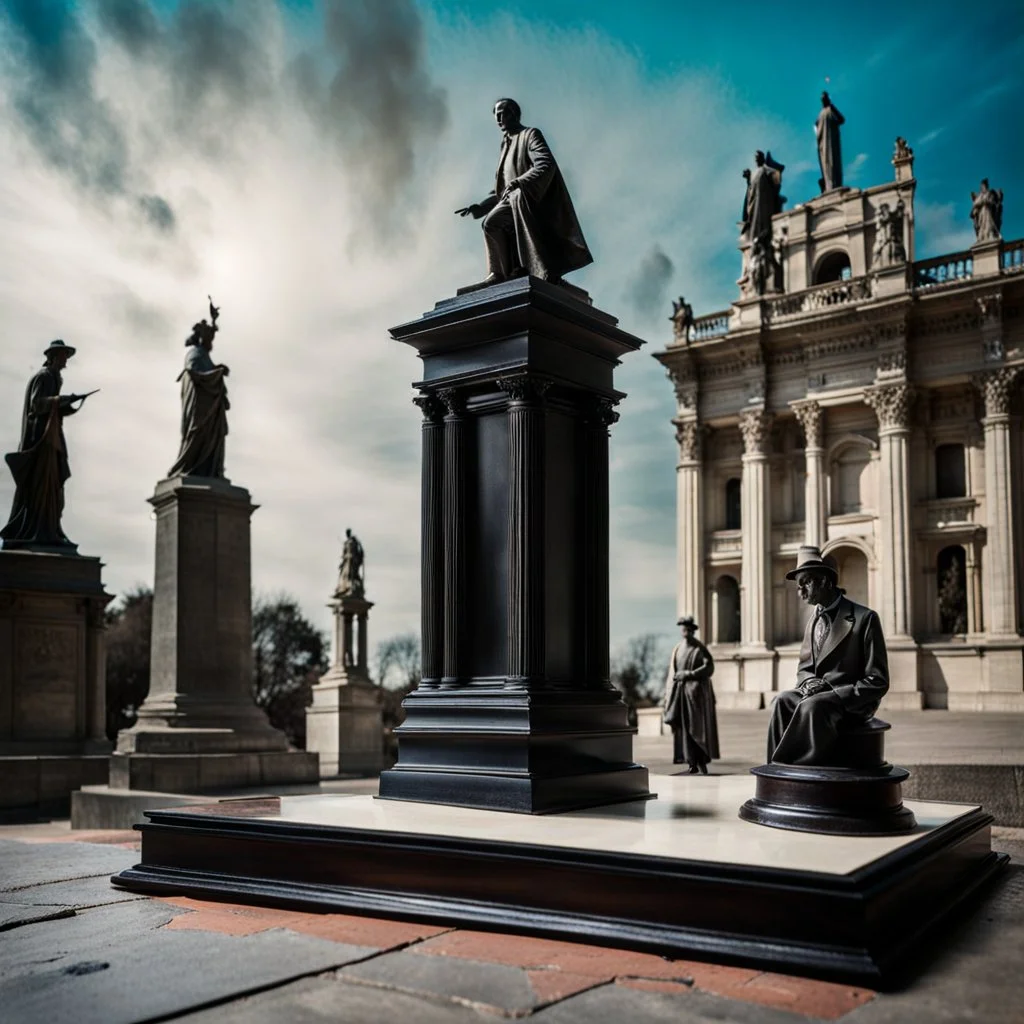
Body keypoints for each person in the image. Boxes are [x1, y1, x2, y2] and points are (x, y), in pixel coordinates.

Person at [767, 546, 889, 765]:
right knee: (782, 701)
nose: (800, 590)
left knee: (813, 706)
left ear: (823, 581)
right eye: (798, 585)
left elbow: (878, 681)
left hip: (851, 700)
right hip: (817, 699)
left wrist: (834, 692)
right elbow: (804, 668)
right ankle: (777, 770)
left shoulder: (865, 618)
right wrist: (808, 682)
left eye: (805, 582)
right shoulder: (813, 621)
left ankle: (806, 772)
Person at [455, 98, 592, 286]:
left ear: (514, 113)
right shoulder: (505, 146)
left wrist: (520, 182)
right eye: (496, 115)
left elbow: (545, 163)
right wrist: (481, 206)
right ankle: (502, 272)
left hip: (529, 199)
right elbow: (501, 190)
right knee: (490, 223)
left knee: (492, 223)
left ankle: (501, 273)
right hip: (511, 199)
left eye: (502, 113)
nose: (498, 118)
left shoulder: (530, 134)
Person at [2, 340, 94, 549]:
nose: (66, 360)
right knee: (42, 484)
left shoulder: (54, 378)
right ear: (53, 357)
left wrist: (69, 403)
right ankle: (39, 530)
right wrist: (61, 400)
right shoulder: (43, 377)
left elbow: (54, 408)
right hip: (41, 441)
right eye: (63, 356)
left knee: (54, 485)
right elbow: (38, 404)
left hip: (52, 439)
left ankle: (49, 528)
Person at [168, 299, 230, 479]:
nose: (212, 342)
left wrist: (217, 371)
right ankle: (190, 467)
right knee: (196, 436)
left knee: (213, 439)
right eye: (210, 338)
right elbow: (195, 373)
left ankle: (210, 470)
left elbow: (207, 372)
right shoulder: (194, 354)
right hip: (200, 409)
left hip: (212, 411)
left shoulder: (204, 356)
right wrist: (217, 373)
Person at [662, 616, 720, 774]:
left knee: (697, 728)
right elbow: (672, 672)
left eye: (687, 627)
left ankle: (701, 761)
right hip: (680, 693)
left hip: (695, 695)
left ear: (693, 630)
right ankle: (690, 762)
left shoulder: (699, 649)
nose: (684, 629)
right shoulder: (677, 648)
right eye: (682, 626)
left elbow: (709, 668)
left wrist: (690, 673)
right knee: (684, 729)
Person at [815, 91, 845, 192]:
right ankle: (827, 186)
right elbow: (816, 125)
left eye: (825, 98)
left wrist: (833, 108)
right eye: (822, 99)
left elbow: (841, 119)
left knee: (833, 162)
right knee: (825, 164)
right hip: (823, 143)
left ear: (828, 99)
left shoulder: (831, 108)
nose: (823, 100)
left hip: (831, 140)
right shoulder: (820, 114)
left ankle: (834, 185)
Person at [970, 179, 1003, 243]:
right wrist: (983, 201)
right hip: (982, 213)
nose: (983, 188)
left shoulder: (989, 193)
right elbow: (975, 203)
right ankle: (982, 237)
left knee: (988, 223)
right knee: (982, 225)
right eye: (982, 186)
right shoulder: (980, 195)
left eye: (984, 186)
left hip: (988, 211)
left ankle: (990, 234)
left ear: (986, 186)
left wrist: (985, 202)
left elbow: (992, 201)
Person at [337, 528, 365, 597]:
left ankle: (352, 588)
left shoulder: (354, 541)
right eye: (346, 533)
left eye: (348, 533)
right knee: (343, 574)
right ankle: (342, 588)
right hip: (346, 560)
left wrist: (358, 558)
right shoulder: (346, 543)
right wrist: (342, 562)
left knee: (352, 573)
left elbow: (360, 550)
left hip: (353, 560)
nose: (347, 534)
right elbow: (344, 553)